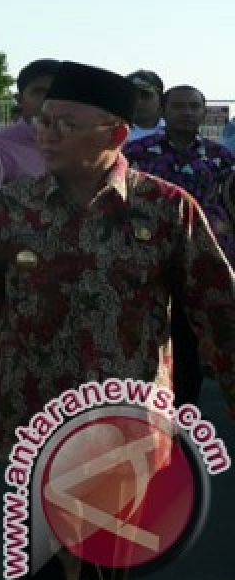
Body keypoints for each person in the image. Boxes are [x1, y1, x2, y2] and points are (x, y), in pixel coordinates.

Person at [0, 62, 235, 580]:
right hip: (35, 423)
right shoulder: (12, 210)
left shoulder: (167, 209)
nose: (46, 133)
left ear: (115, 134)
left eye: (65, 124)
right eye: (44, 121)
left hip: (124, 433)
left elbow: (221, 316)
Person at [124, 84, 235, 404]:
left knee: (189, 350)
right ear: (163, 110)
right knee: (143, 343)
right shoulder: (136, 154)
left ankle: (183, 423)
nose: (187, 112)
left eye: (194, 106)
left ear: (203, 112)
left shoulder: (221, 158)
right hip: (145, 262)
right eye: (179, 106)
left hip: (201, 265)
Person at [0, 59, 62, 212]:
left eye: (57, 92)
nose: (47, 101)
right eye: (38, 92)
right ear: (19, 100)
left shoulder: (82, 143)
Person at [124, 69, 165, 143]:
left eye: (145, 94)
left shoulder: (174, 130)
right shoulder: (112, 133)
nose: (138, 101)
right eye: (131, 95)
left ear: (160, 98)